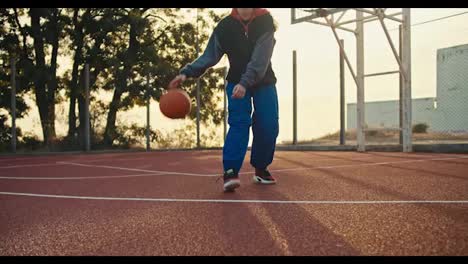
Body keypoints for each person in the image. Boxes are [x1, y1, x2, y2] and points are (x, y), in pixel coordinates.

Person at [169, 8, 279, 192]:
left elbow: (261, 59)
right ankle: (230, 171)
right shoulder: (225, 27)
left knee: (268, 124)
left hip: (263, 81)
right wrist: (186, 73)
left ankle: (261, 168)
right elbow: (209, 56)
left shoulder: (265, 22)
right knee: (239, 123)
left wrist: (245, 83)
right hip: (236, 82)